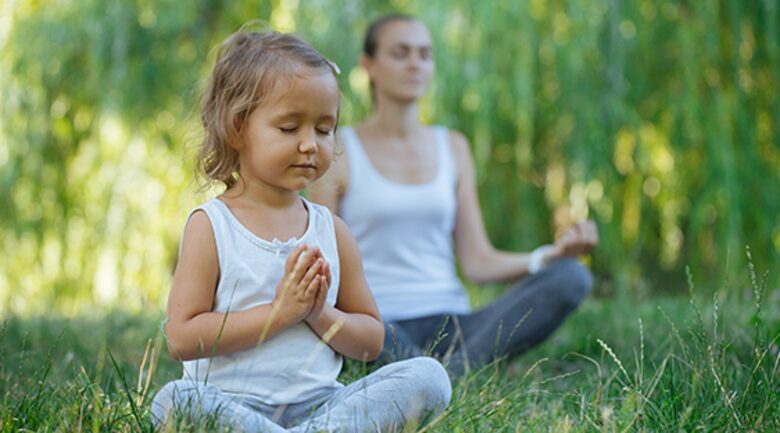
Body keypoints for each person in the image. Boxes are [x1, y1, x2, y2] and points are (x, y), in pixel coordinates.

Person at [151, 27, 451, 432]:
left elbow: (371, 340)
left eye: (324, 129)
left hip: (323, 408)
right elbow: (181, 338)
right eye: (290, 129)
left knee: (430, 377)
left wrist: (318, 314)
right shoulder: (212, 227)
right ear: (237, 128)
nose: (310, 144)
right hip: (233, 407)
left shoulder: (333, 232)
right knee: (176, 400)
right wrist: (279, 313)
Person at [308, 14, 599, 375]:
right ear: (369, 66)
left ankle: (441, 374)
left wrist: (550, 256)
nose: (416, 63)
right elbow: (323, 259)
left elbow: (477, 261)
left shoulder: (453, 147)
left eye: (425, 54)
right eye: (401, 53)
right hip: (381, 325)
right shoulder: (338, 149)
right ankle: (455, 374)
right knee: (366, 333)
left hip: (457, 325)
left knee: (571, 276)